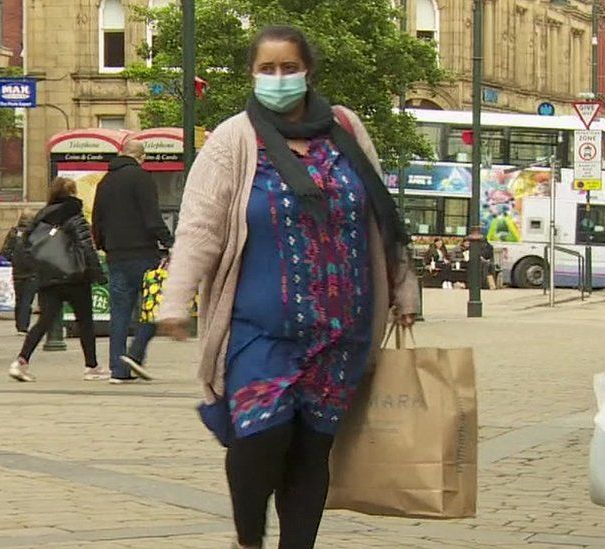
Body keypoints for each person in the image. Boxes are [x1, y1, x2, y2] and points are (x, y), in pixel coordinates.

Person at [156, 25, 418, 549]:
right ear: (252, 75)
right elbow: (201, 226)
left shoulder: (345, 127)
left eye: (289, 68)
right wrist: (175, 300)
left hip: (341, 327)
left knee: (311, 449)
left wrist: (404, 289)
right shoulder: (234, 138)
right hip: (260, 327)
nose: (279, 78)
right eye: (267, 69)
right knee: (261, 435)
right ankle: (248, 540)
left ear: (308, 71)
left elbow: (381, 213)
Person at [92, 139, 175, 383]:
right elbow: (151, 216)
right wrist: (168, 241)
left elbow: (97, 219)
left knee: (119, 313)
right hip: (143, 253)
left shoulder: (105, 182)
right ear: (141, 157)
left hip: (116, 255)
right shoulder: (141, 178)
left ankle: (118, 370)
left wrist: (105, 246)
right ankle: (135, 354)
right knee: (152, 308)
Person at [9, 177, 106, 382]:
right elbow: (86, 245)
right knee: (85, 322)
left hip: (48, 277)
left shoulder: (41, 216)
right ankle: (91, 366)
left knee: (44, 321)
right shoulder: (74, 214)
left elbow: (27, 245)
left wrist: (39, 269)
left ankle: (21, 361)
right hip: (75, 277)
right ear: (72, 193)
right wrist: (97, 273)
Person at [0, 209, 38, 333]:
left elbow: (5, 252)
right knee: (27, 300)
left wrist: (14, 260)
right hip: (32, 271)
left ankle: (19, 325)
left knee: (19, 299)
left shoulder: (14, 232)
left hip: (17, 271)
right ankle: (24, 326)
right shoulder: (36, 233)